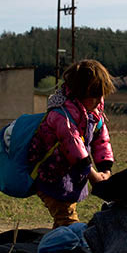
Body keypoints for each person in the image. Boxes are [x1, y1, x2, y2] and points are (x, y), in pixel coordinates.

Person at [28, 59, 115, 227]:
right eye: (94, 95)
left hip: (71, 175)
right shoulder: (61, 115)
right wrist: (94, 176)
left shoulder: (93, 113)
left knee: (64, 219)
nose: (99, 100)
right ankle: (63, 242)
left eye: (101, 95)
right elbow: (73, 146)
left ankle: (58, 239)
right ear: (80, 93)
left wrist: (105, 169)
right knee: (67, 219)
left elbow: (101, 140)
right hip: (52, 177)